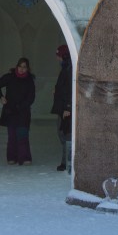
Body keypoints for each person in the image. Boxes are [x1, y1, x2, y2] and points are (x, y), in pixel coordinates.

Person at [0, 57, 36, 165]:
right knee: (12, 136)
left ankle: (25, 158)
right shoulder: (10, 77)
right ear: (17, 66)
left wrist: (22, 106)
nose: (22, 69)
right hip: (10, 111)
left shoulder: (29, 80)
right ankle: (12, 157)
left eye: (24, 67)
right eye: (20, 66)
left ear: (28, 69)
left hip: (23, 112)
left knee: (22, 135)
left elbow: (31, 97)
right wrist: (1, 97)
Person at [50, 44, 73, 172]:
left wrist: (67, 108)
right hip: (63, 108)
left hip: (65, 109)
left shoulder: (68, 69)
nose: (57, 58)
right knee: (62, 134)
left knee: (65, 135)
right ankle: (66, 162)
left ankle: (67, 163)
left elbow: (69, 90)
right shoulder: (66, 68)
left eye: (58, 55)